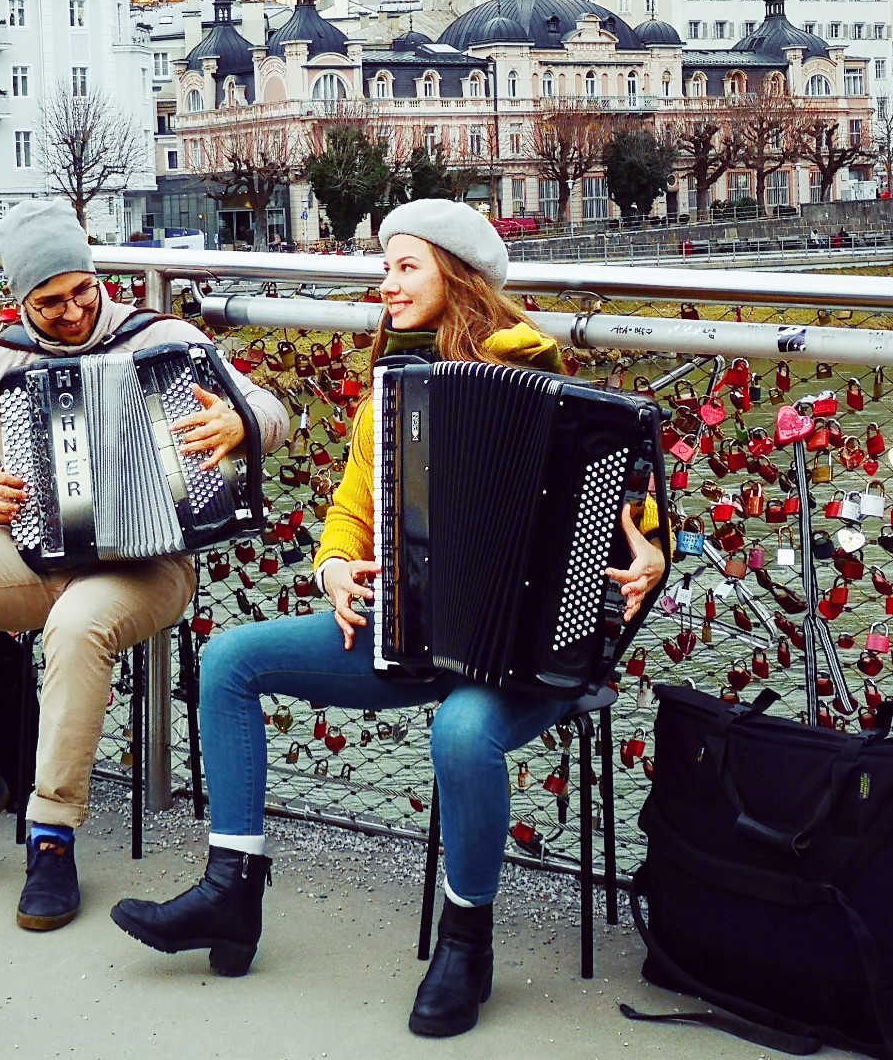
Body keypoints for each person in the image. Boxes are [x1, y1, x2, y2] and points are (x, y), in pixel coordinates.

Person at [111, 199, 667, 1038]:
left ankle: (466, 943)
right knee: (230, 660)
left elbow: (644, 521)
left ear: (459, 274)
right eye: (386, 267)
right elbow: (347, 512)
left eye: (406, 265)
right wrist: (334, 568)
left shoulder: (563, 397)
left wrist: (654, 555)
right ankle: (231, 893)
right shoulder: (392, 393)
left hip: (536, 655)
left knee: (460, 731)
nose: (387, 282)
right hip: (407, 634)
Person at [0, 200, 292, 931]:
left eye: (83, 290)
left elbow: (275, 414)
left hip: (152, 563)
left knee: (78, 625)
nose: (74, 312)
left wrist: (243, 421)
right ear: (21, 299)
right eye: (50, 302)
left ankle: (52, 835)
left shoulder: (164, 337)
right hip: (40, 553)